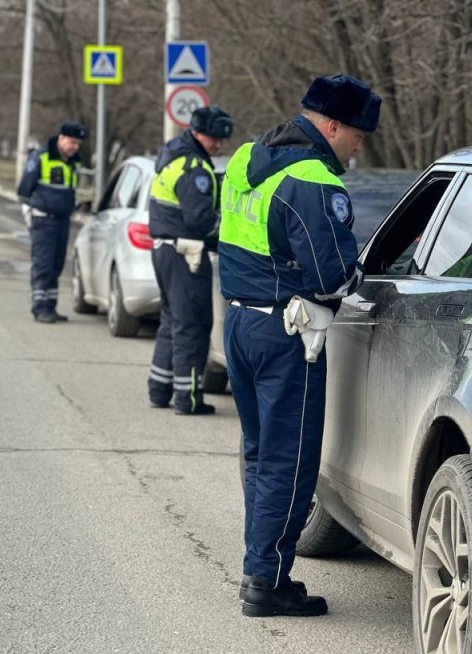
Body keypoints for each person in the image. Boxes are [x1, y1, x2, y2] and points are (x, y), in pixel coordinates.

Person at [218, 74, 381, 617]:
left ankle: (259, 564)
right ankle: (266, 580)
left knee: (261, 454)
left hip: (239, 322)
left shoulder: (244, 158)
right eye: (356, 135)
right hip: (288, 333)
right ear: (332, 125)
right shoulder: (313, 180)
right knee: (289, 462)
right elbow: (332, 277)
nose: (358, 147)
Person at [147, 105, 233, 414]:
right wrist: (227, 235)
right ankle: (189, 398)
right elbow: (199, 220)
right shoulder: (194, 167)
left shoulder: (173, 158)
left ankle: (160, 389)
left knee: (172, 321)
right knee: (193, 325)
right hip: (187, 254)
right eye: (214, 138)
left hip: (166, 249)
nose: (218, 144)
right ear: (198, 133)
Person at [17, 121, 87, 324]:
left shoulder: (74, 162)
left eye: (78, 144)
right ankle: (39, 308)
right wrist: (30, 212)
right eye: (73, 142)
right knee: (43, 265)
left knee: (56, 266)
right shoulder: (42, 157)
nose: (75, 147)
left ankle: (51, 306)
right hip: (43, 220)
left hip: (63, 221)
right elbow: (24, 189)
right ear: (62, 138)